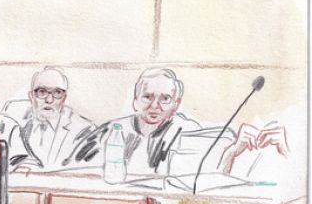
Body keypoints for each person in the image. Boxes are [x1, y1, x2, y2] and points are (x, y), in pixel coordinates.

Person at [71, 68, 273, 177]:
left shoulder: (188, 131)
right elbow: (77, 167)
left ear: (176, 105)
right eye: (147, 96)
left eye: (165, 99)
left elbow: (216, 158)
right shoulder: (110, 131)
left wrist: (232, 149)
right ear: (135, 100)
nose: (155, 105)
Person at [2, 66, 93, 171]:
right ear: (31, 96)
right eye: (42, 92)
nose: (49, 100)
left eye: (57, 93)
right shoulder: (11, 114)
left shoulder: (83, 130)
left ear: (64, 99)